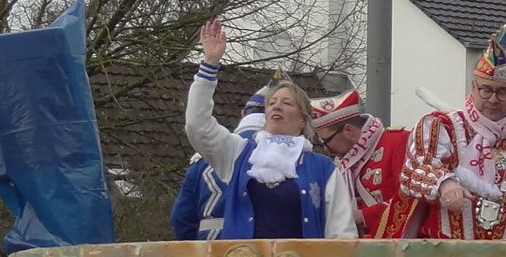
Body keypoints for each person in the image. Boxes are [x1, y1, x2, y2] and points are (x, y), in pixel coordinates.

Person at [184, 22, 356, 239]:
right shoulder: (239, 153)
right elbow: (197, 125)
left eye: (287, 103)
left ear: (302, 119)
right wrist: (210, 64)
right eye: (272, 103)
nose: (276, 106)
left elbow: (342, 234)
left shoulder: (323, 168)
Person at [403, 18, 506, 241]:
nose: (493, 99)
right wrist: (444, 184)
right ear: (473, 87)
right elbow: (413, 172)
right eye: (486, 90)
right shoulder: (443, 127)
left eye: (503, 92)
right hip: (443, 254)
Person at [171, 77, 276, 240]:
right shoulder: (282, 157)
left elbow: (181, 217)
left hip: (208, 247)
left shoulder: (202, 158)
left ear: (242, 114)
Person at [310, 89, 413, 238]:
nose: (326, 149)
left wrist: (362, 216)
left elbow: (411, 200)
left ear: (348, 131)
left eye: (326, 141)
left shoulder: (399, 141)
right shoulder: (343, 164)